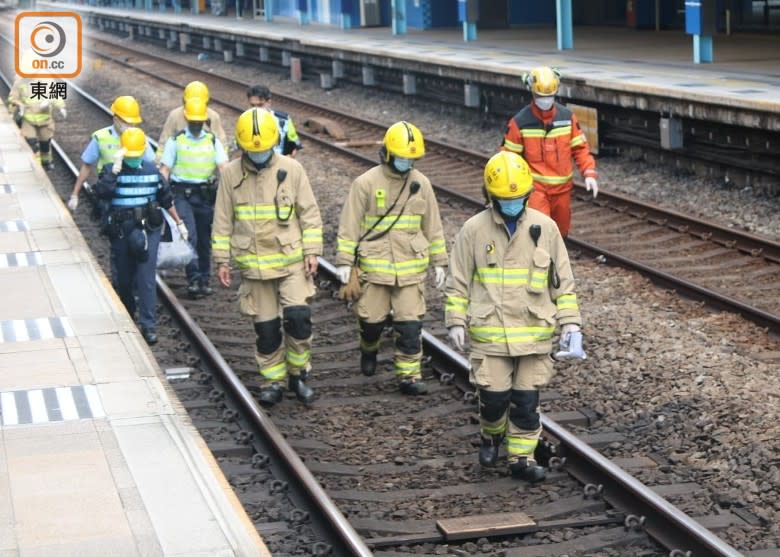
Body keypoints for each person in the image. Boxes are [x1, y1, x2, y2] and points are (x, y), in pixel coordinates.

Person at [444, 151, 585, 482]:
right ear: (491, 195)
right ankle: (491, 434)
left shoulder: (545, 229)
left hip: (533, 334)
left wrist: (571, 323)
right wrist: (455, 319)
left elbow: (563, 283)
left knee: (526, 401)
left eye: (518, 197)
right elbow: (458, 279)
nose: (512, 203)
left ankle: (520, 458)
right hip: (490, 334)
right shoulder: (474, 230)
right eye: (505, 198)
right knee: (493, 400)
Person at [211, 108, 322, 407]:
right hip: (254, 264)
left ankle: (298, 374)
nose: (258, 154)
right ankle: (272, 380)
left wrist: (312, 251)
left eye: (263, 148)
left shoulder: (292, 169)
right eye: (251, 149)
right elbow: (222, 219)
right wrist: (221, 259)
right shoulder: (231, 174)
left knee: (299, 320)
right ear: (242, 145)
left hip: (290, 261)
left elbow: (309, 214)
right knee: (267, 329)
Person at [335, 121, 447, 396]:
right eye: (402, 157)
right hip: (374, 269)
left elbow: (433, 225)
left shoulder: (421, 184)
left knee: (410, 325)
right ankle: (369, 347)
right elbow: (349, 225)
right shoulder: (366, 183)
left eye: (412, 158)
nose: (407, 163)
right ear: (387, 153)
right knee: (371, 321)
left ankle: (409, 375)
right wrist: (344, 262)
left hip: (411, 269)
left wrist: (440, 261)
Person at [94, 127, 187, 346]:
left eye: (137, 156)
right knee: (123, 278)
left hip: (147, 230)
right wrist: (114, 172)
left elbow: (166, 198)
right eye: (130, 156)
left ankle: (148, 325)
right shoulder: (111, 171)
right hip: (120, 231)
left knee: (146, 278)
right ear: (122, 152)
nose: (134, 160)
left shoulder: (152, 171)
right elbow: (101, 193)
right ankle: (128, 312)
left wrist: (179, 222)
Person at [501, 66, 598, 238]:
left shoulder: (567, 118)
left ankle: (554, 262)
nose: (545, 100)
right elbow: (508, 159)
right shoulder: (519, 123)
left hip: (563, 190)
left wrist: (589, 173)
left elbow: (580, 148)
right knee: (541, 230)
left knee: (560, 232)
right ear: (532, 92)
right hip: (535, 190)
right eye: (540, 96)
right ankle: (542, 263)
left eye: (549, 95)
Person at [160, 97, 228, 297]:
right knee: (189, 234)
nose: (197, 125)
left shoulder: (212, 141)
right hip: (182, 195)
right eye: (194, 121)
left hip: (205, 195)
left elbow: (223, 167)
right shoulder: (177, 140)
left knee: (204, 239)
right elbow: (165, 169)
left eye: (200, 122)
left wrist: (230, 192)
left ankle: (205, 279)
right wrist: (160, 193)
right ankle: (194, 278)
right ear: (188, 120)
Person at [67, 96, 155, 212]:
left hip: (132, 190)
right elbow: (87, 165)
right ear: (115, 118)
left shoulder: (140, 137)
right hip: (108, 188)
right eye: (125, 121)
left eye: (132, 122)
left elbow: (151, 164)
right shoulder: (101, 137)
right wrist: (75, 194)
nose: (129, 125)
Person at [158, 81, 228, 161]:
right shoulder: (175, 116)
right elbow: (164, 144)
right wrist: (160, 164)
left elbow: (221, 144)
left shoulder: (213, 117)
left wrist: (222, 165)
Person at [7, 76, 66, 171]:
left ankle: (46, 162)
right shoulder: (20, 82)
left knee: (45, 143)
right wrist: (12, 112)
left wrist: (60, 107)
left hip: (45, 120)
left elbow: (56, 95)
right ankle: (37, 166)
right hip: (28, 119)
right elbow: (13, 98)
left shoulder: (47, 80)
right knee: (32, 143)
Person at [246, 85, 302, 157]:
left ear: (269, 102)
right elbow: (237, 146)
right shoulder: (244, 121)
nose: (256, 109)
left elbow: (294, 144)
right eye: (252, 105)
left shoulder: (283, 120)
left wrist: (287, 160)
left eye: (260, 105)